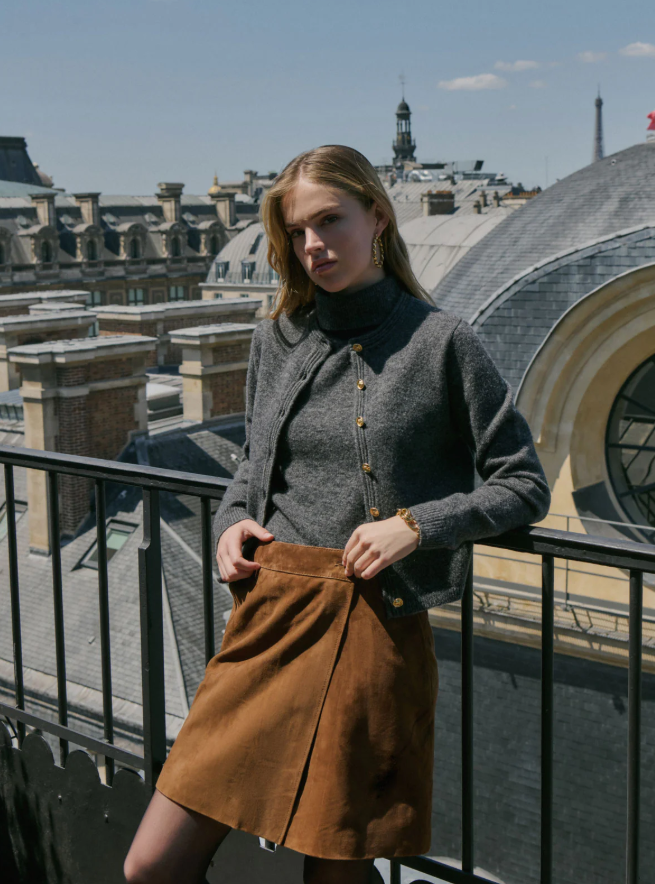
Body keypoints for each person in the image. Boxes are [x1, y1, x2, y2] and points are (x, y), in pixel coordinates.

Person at [123, 145, 551, 884]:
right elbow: (254, 465)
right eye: (296, 231)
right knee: (151, 865)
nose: (312, 245)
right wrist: (231, 521)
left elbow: (522, 485)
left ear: (377, 217)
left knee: (335, 873)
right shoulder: (276, 338)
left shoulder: (442, 343)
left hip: (375, 629)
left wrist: (415, 525)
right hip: (272, 617)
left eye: (329, 221)